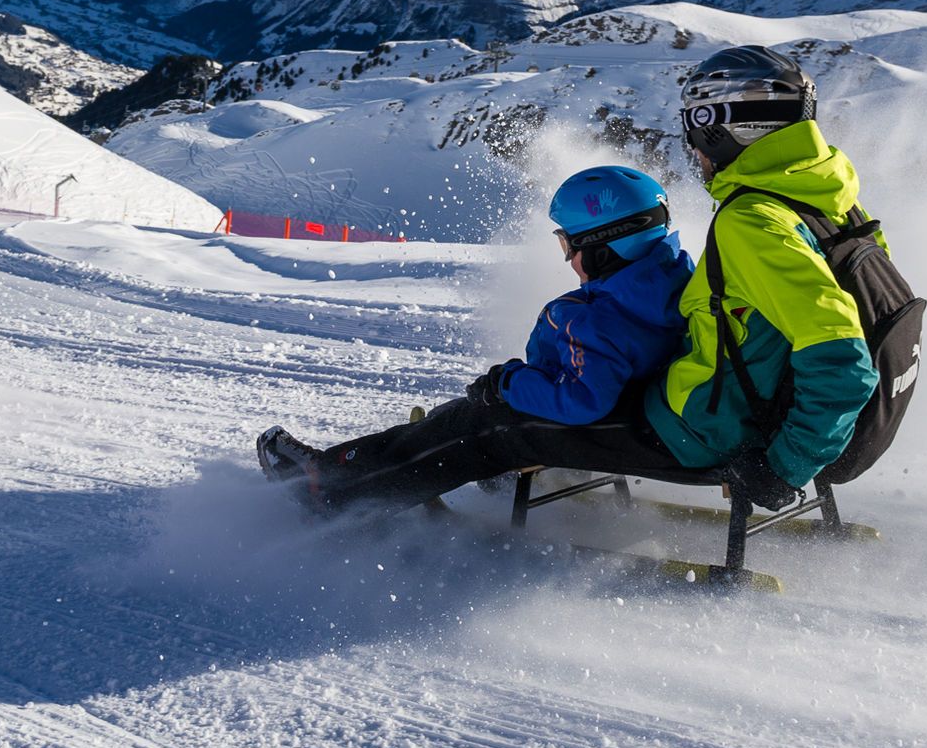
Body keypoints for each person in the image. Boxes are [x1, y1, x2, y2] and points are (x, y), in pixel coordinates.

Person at [257, 166, 695, 514]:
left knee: (474, 427)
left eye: (569, 245)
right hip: (650, 410)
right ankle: (467, 459)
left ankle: (328, 486)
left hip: (628, 425)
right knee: (471, 413)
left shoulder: (601, 318)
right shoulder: (671, 280)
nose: (568, 259)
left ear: (603, 245)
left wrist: (509, 382)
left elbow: (582, 400)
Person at [647, 45, 885, 510]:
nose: (694, 151)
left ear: (722, 132)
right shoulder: (829, 200)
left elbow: (843, 362)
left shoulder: (752, 220)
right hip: (774, 406)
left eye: (696, 134)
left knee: (547, 418)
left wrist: (785, 466)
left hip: (712, 430)